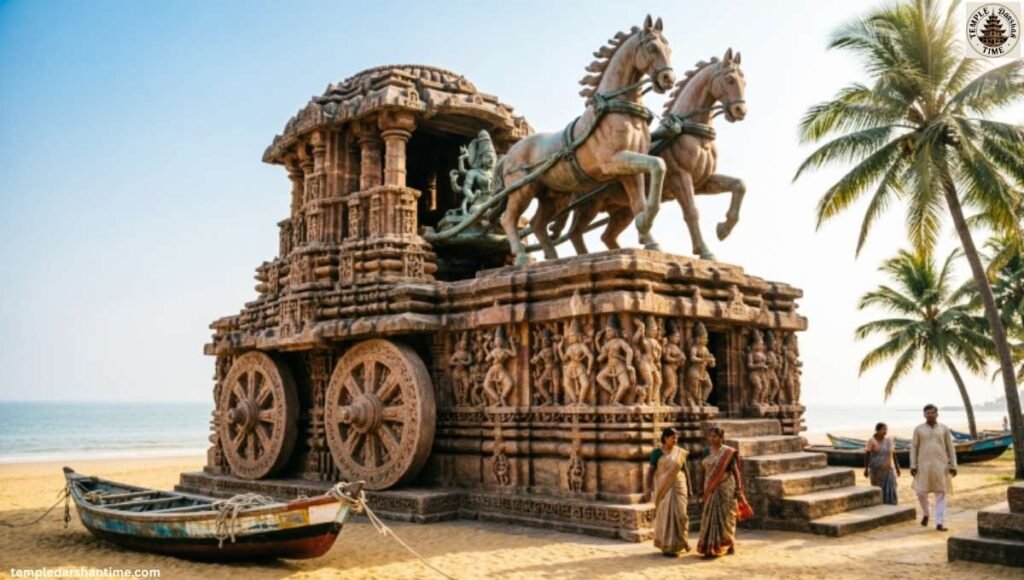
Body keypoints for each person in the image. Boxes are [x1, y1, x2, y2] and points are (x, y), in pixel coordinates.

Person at [697, 426, 744, 558]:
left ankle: (730, 543)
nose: (712, 439)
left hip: (726, 487)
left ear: (722, 438)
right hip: (710, 488)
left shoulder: (728, 452)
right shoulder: (706, 451)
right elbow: (702, 471)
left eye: (715, 436)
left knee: (727, 517)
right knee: (709, 517)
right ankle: (709, 547)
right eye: (710, 436)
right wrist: (700, 489)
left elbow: (735, 471)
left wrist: (739, 489)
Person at [910, 404, 957, 531]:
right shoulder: (918, 429)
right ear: (924, 415)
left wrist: (953, 465)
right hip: (923, 466)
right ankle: (926, 513)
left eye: (932, 412)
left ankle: (939, 523)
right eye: (927, 413)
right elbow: (914, 447)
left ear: (937, 414)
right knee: (920, 492)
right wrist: (913, 465)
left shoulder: (944, 429)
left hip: (941, 466)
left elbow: (950, 447)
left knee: (941, 493)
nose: (930, 415)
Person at [645, 427, 691, 557]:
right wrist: (648, 488)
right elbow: (651, 471)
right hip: (664, 488)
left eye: (677, 437)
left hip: (679, 486)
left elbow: (685, 470)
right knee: (666, 516)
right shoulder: (657, 453)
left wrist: (690, 487)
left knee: (682, 515)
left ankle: (682, 541)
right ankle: (668, 546)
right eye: (673, 437)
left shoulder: (680, 452)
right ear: (665, 438)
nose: (676, 440)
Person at [864, 422, 900, 505]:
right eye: (883, 429)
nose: (885, 431)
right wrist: (866, 469)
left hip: (888, 469)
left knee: (891, 488)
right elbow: (867, 455)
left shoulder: (888, 441)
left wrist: (898, 468)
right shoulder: (871, 441)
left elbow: (893, 454)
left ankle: (891, 504)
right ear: (877, 430)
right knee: (877, 488)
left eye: (886, 429)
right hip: (875, 470)